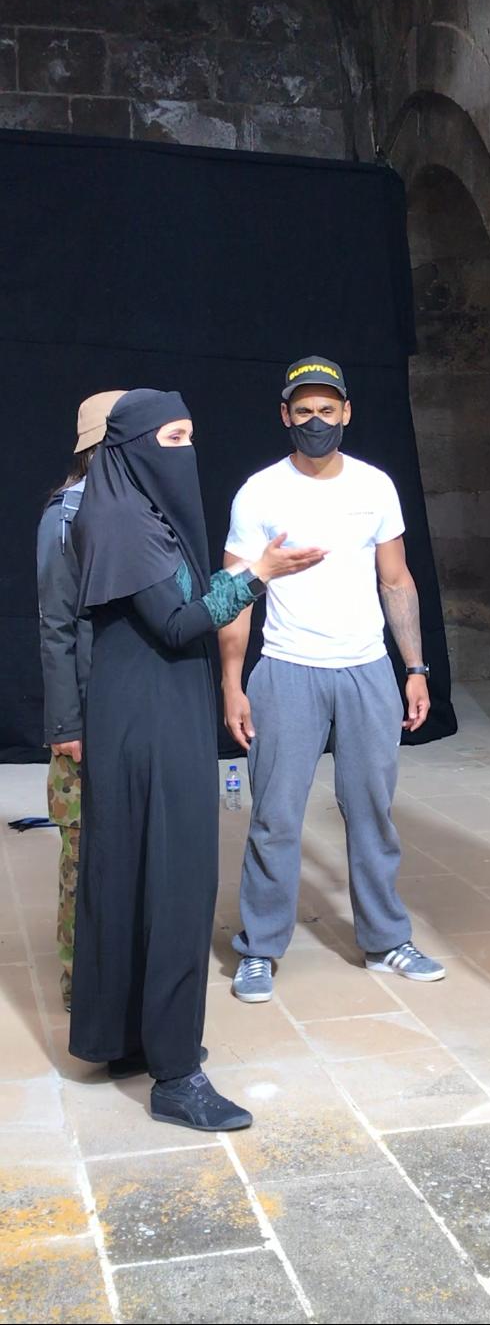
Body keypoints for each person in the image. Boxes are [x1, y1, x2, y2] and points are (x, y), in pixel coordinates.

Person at [69, 388, 324, 1130]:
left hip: (146, 715)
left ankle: (128, 1039)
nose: (188, 451)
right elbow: (180, 624)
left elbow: (179, 602)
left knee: (135, 878)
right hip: (149, 724)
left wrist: (248, 575)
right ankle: (176, 1075)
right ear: (133, 446)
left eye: (190, 436)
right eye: (174, 438)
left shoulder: (137, 512)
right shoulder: (122, 521)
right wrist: (259, 575)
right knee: (176, 886)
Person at [219, 356, 445, 1004]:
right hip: (288, 668)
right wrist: (232, 682)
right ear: (284, 416)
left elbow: (396, 580)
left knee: (372, 811)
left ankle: (385, 939)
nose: (315, 421)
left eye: (327, 409)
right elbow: (233, 593)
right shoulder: (260, 492)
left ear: (347, 412)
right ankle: (260, 948)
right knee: (275, 816)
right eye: (303, 411)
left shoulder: (375, 486)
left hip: (367, 669)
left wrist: (415, 668)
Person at [37, 390, 126, 1011]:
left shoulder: (141, 508)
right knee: (84, 855)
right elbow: (56, 627)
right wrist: (67, 723)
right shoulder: (66, 516)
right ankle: (80, 989)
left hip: (129, 713)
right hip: (87, 718)